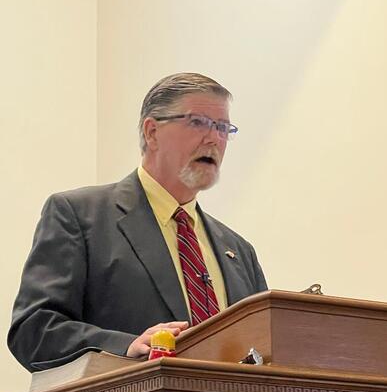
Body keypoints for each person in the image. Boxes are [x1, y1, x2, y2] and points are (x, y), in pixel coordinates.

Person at [8, 73, 267, 372]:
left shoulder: (239, 251)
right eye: (198, 122)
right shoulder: (79, 216)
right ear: (152, 132)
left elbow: (266, 348)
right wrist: (125, 347)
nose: (214, 139)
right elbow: (34, 331)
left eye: (223, 128)